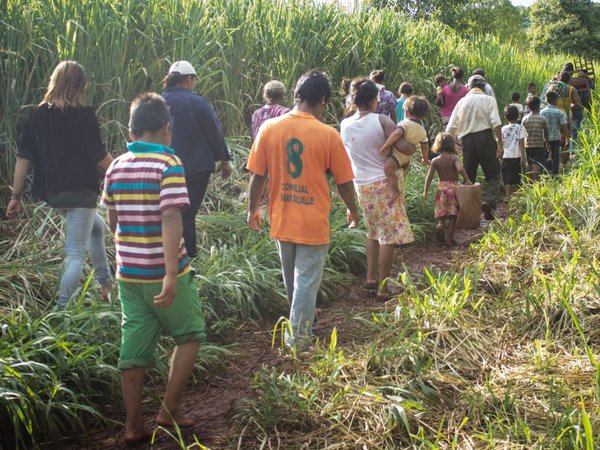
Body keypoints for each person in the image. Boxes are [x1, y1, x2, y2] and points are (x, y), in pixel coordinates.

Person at [101, 93, 206, 445]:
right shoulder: (168, 164)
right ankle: (168, 409)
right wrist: (172, 273)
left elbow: (113, 218)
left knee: (132, 348)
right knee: (190, 335)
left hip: (128, 273)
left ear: (132, 129)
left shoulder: (115, 165)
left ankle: (132, 426)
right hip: (164, 271)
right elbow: (172, 216)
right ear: (166, 128)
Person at [247, 71, 360, 350]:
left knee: (293, 282)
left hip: (281, 217)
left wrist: (252, 210)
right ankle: (297, 343)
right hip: (313, 220)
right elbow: (344, 182)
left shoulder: (269, 128)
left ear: (296, 94)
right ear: (322, 100)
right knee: (306, 282)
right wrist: (353, 211)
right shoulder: (328, 134)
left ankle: (298, 326)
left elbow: (257, 175)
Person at [6, 60, 113, 309]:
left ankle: (106, 283)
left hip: (54, 193)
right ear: (80, 86)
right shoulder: (85, 115)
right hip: (81, 192)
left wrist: (16, 195)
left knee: (96, 228)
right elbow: (98, 155)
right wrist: (124, 169)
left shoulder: (36, 115)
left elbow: (24, 158)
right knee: (75, 253)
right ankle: (61, 309)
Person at [340, 77, 415, 300]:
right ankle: (383, 287)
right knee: (387, 237)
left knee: (372, 231)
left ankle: (370, 278)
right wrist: (412, 142)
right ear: (374, 100)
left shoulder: (344, 124)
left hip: (361, 184)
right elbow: (404, 148)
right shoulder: (381, 121)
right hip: (384, 182)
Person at [162, 60, 232, 258]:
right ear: (189, 79)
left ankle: (165, 258)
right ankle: (188, 258)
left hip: (162, 169)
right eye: (193, 80)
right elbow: (213, 132)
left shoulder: (157, 101)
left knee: (167, 213)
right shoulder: (197, 102)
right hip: (195, 169)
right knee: (187, 214)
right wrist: (224, 160)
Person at [446, 74, 503, 220]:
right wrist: (500, 145)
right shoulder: (488, 100)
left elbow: (451, 128)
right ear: (484, 87)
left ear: (468, 87)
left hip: (467, 141)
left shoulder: (462, 102)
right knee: (493, 174)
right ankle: (489, 202)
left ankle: (466, 210)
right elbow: (496, 122)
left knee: (468, 176)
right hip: (485, 138)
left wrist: (450, 148)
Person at [423, 132, 472, 245]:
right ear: (452, 144)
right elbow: (460, 169)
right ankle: (449, 239)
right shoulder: (454, 158)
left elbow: (429, 177)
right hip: (453, 189)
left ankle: (440, 225)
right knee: (453, 215)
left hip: (441, 189)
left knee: (442, 212)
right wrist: (467, 180)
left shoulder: (435, 161)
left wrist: (425, 191)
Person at [378, 95, 431, 197]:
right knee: (399, 174)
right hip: (406, 159)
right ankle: (399, 186)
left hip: (396, 156)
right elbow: (424, 146)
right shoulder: (422, 130)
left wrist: (386, 145)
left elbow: (397, 134)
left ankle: (394, 190)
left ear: (407, 112)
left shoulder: (405, 123)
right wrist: (425, 159)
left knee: (388, 169)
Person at [501, 106, 527, 199]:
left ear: (506, 117)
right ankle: (517, 197)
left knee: (506, 177)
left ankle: (507, 196)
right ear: (518, 116)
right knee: (517, 177)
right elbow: (521, 143)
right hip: (517, 156)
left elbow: (501, 142)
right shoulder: (521, 128)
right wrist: (523, 157)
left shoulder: (503, 129)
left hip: (506, 156)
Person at [521, 96, 549, 182]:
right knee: (536, 163)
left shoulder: (525, 119)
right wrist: (547, 143)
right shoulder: (543, 118)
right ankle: (536, 182)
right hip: (539, 144)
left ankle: (529, 182)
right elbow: (546, 133)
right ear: (538, 105)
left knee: (529, 163)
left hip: (528, 145)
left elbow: (522, 134)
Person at [540, 91, 568, 175]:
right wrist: (567, 136)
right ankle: (555, 173)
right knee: (555, 156)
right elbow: (563, 126)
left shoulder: (542, 112)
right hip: (556, 137)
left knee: (544, 156)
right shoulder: (559, 112)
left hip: (545, 138)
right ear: (555, 100)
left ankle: (544, 173)